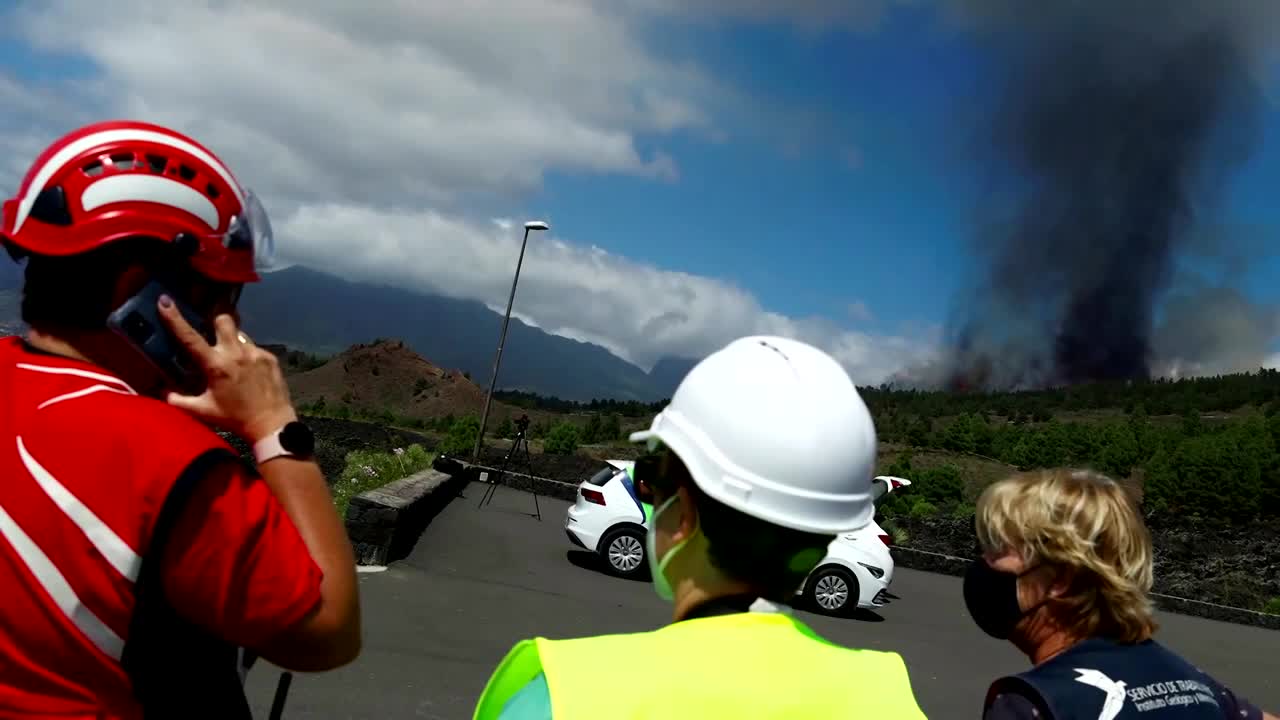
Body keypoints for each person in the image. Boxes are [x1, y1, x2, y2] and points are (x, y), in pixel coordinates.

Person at [0, 120, 361, 718]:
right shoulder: (170, 465)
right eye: (222, 294)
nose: (230, 322)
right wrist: (275, 427)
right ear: (143, 294)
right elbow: (330, 631)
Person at [473, 335, 929, 719]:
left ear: (685, 512)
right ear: (823, 536)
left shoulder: (562, 692)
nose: (647, 492)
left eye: (652, 478)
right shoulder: (890, 699)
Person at [966, 468, 1277, 720]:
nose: (983, 562)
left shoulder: (1032, 704)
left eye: (997, 548)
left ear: (1059, 578)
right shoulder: (1190, 681)